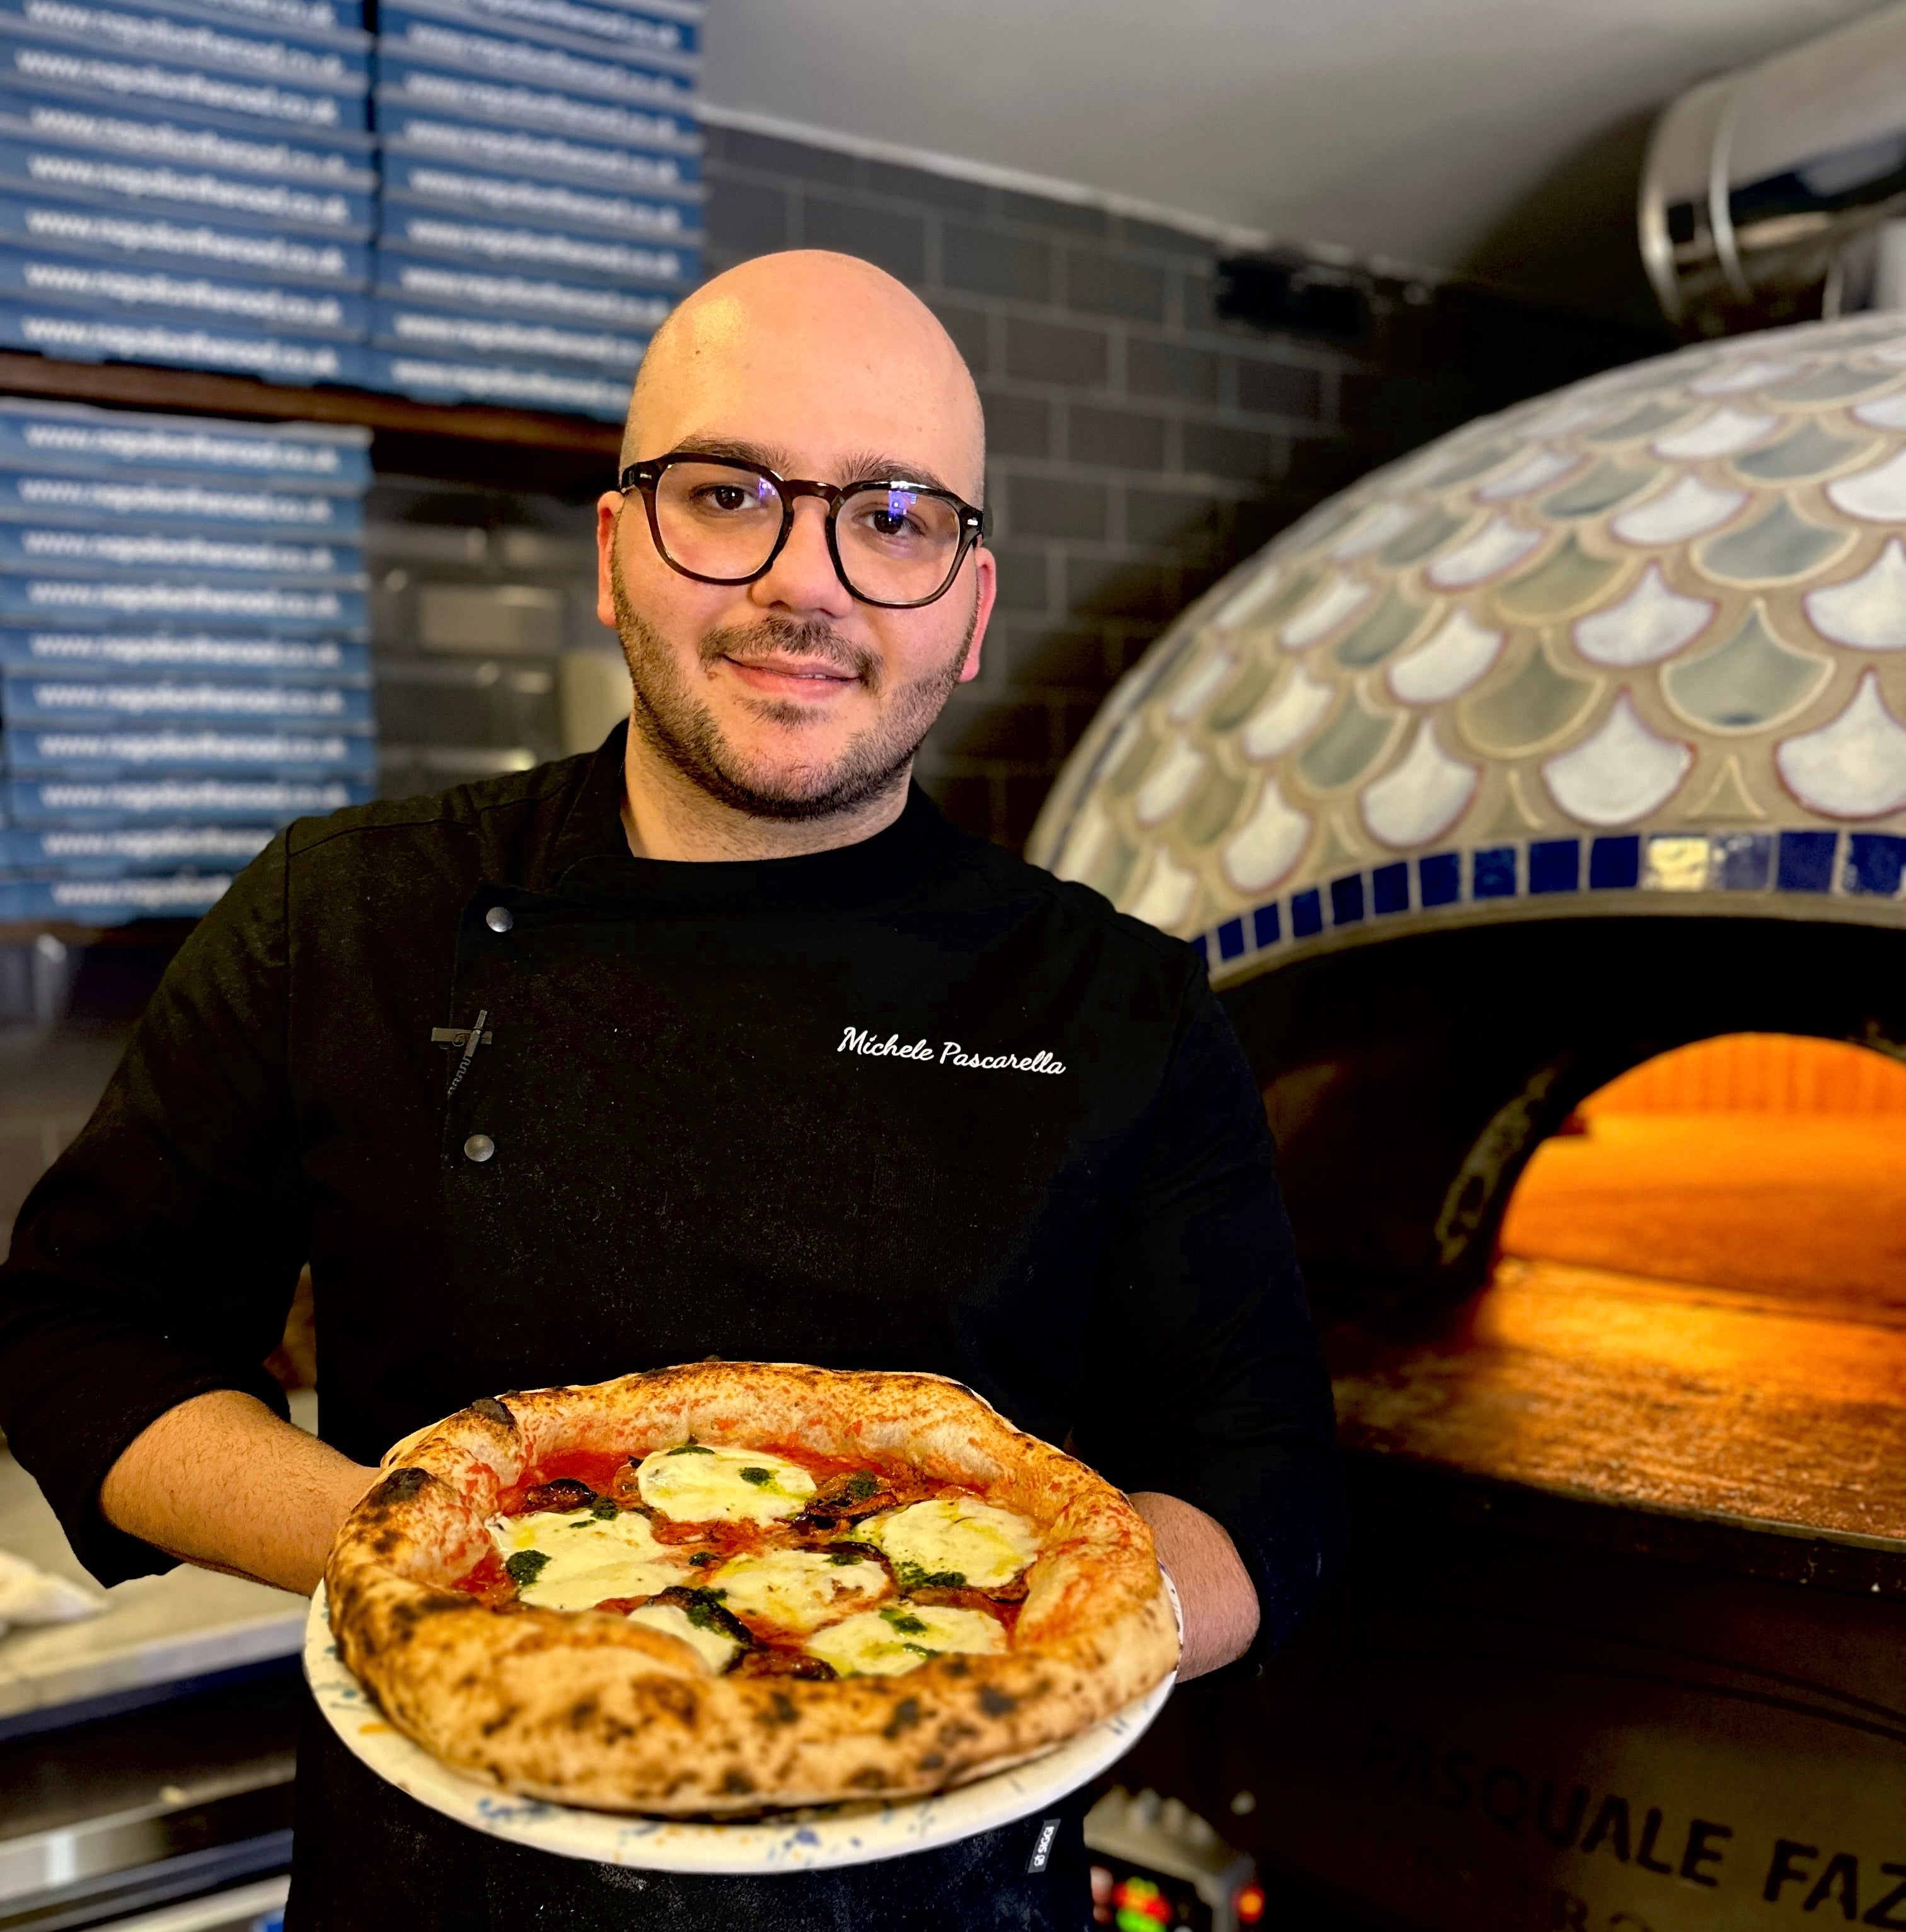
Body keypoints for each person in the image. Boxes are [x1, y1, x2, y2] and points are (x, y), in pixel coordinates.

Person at [0, 250, 1341, 1929]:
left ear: (974, 604)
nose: (809, 583)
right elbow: (71, 1334)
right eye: (729, 493)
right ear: (617, 549)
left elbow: (1266, 1489)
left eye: (897, 515)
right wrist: (451, 1562)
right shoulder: (345, 914)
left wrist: (964, 1637)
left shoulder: (1119, 999)